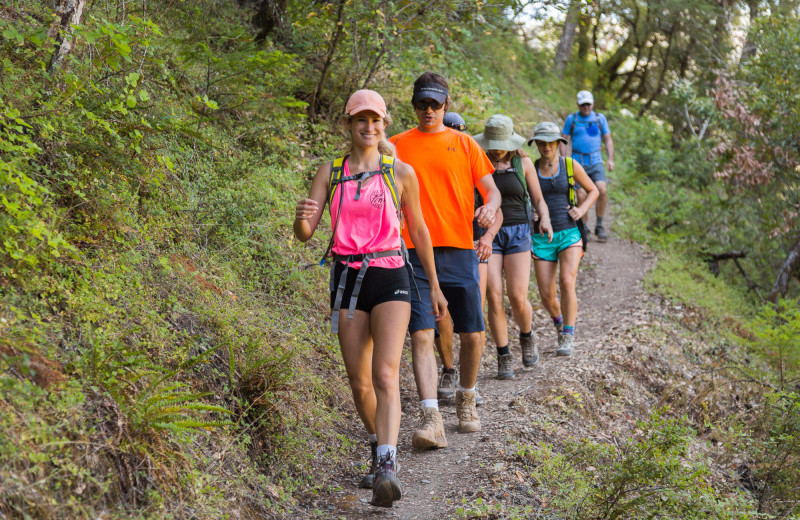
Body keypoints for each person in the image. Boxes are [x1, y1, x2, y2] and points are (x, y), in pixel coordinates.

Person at [293, 89, 447, 507]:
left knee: (385, 373)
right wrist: (300, 218)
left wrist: (432, 285)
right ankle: (380, 443)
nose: (369, 126)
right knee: (360, 382)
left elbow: (418, 232)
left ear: (384, 122)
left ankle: (386, 465)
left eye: (375, 119)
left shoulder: (400, 172)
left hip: (391, 274)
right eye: (360, 119)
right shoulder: (332, 171)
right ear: (348, 124)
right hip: (347, 278)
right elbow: (306, 234)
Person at [390, 73, 501, 443]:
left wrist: (489, 211)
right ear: (414, 105)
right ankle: (430, 417)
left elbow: (492, 191)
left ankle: (466, 396)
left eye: (435, 104)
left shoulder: (465, 144)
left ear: (446, 105)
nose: (429, 110)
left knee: (472, 332)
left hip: (458, 248)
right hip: (411, 252)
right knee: (422, 332)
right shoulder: (395, 146)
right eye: (422, 103)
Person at [474, 115, 552, 380]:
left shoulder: (523, 163)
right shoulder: (479, 161)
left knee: (517, 296)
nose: (497, 149)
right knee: (494, 294)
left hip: (518, 231)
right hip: (487, 233)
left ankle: (527, 335)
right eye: (493, 143)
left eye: (501, 143)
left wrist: (546, 219)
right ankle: (504, 354)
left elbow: (539, 199)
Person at [435, 112, 503, 404]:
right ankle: (449, 369)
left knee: (474, 315)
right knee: (441, 316)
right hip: (438, 246)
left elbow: (496, 209)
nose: (454, 136)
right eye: (450, 131)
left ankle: (469, 383)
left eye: (460, 132)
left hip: (472, 246)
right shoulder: (433, 165)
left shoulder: (471, 161)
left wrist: (487, 239)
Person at [529, 121, 598, 356]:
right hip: (542, 237)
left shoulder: (570, 165)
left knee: (567, 282)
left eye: (550, 142)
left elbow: (593, 190)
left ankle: (568, 334)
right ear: (536, 143)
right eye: (541, 142)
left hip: (569, 232)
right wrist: (532, 211)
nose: (545, 146)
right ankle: (559, 324)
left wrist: (581, 209)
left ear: (559, 143)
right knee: (546, 295)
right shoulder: (531, 168)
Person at [559, 90, 614, 242]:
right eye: (583, 105)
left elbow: (608, 139)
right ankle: (585, 226)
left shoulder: (599, 118)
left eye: (588, 104)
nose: (586, 107)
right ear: (578, 104)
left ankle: (600, 225)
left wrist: (610, 159)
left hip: (595, 161)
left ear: (592, 103)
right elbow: (563, 139)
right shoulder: (572, 119)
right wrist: (563, 160)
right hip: (578, 162)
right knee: (581, 194)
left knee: (601, 189)